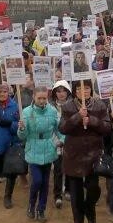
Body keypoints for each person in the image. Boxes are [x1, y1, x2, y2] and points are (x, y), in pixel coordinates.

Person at [58, 80, 112, 223]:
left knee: (93, 187)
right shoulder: (67, 106)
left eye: (87, 88)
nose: (84, 91)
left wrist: (92, 121)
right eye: (80, 88)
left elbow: (107, 127)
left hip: (93, 153)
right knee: (76, 191)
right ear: (75, 91)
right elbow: (62, 128)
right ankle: (78, 221)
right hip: (73, 153)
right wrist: (77, 117)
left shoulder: (99, 105)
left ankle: (90, 211)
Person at [18, 88, 60, 223]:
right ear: (34, 97)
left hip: (48, 149)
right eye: (39, 98)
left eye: (44, 98)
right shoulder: (26, 112)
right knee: (37, 181)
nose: (42, 101)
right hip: (33, 149)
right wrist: (22, 128)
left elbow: (59, 129)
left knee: (45, 183)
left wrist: (61, 141)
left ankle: (41, 209)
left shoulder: (53, 111)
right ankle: (31, 204)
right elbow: (22, 136)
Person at [50, 80, 72, 208]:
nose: (61, 93)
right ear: (55, 93)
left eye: (64, 90)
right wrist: (57, 140)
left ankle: (68, 189)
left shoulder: (74, 105)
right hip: (56, 141)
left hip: (70, 141)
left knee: (69, 167)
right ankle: (57, 195)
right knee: (58, 169)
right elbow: (51, 126)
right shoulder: (51, 107)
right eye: (58, 91)